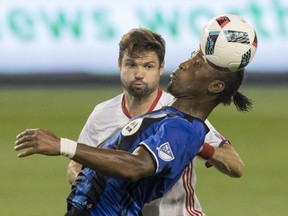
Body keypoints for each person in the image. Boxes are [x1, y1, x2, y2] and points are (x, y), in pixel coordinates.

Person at [14, 49, 252, 215]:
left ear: (215, 86)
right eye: (191, 58)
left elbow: (135, 166)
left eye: (196, 64)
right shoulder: (168, 117)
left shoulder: (183, 129)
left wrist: (63, 146)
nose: (184, 64)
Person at [67, 28, 244, 215]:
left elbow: (235, 166)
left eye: (148, 66)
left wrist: (199, 146)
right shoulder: (102, 114)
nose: (139, 74)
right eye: (132, 65)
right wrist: (104, 186)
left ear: (161, 67)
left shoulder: (179, 114)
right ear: (120, 64)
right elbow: (76, 166)